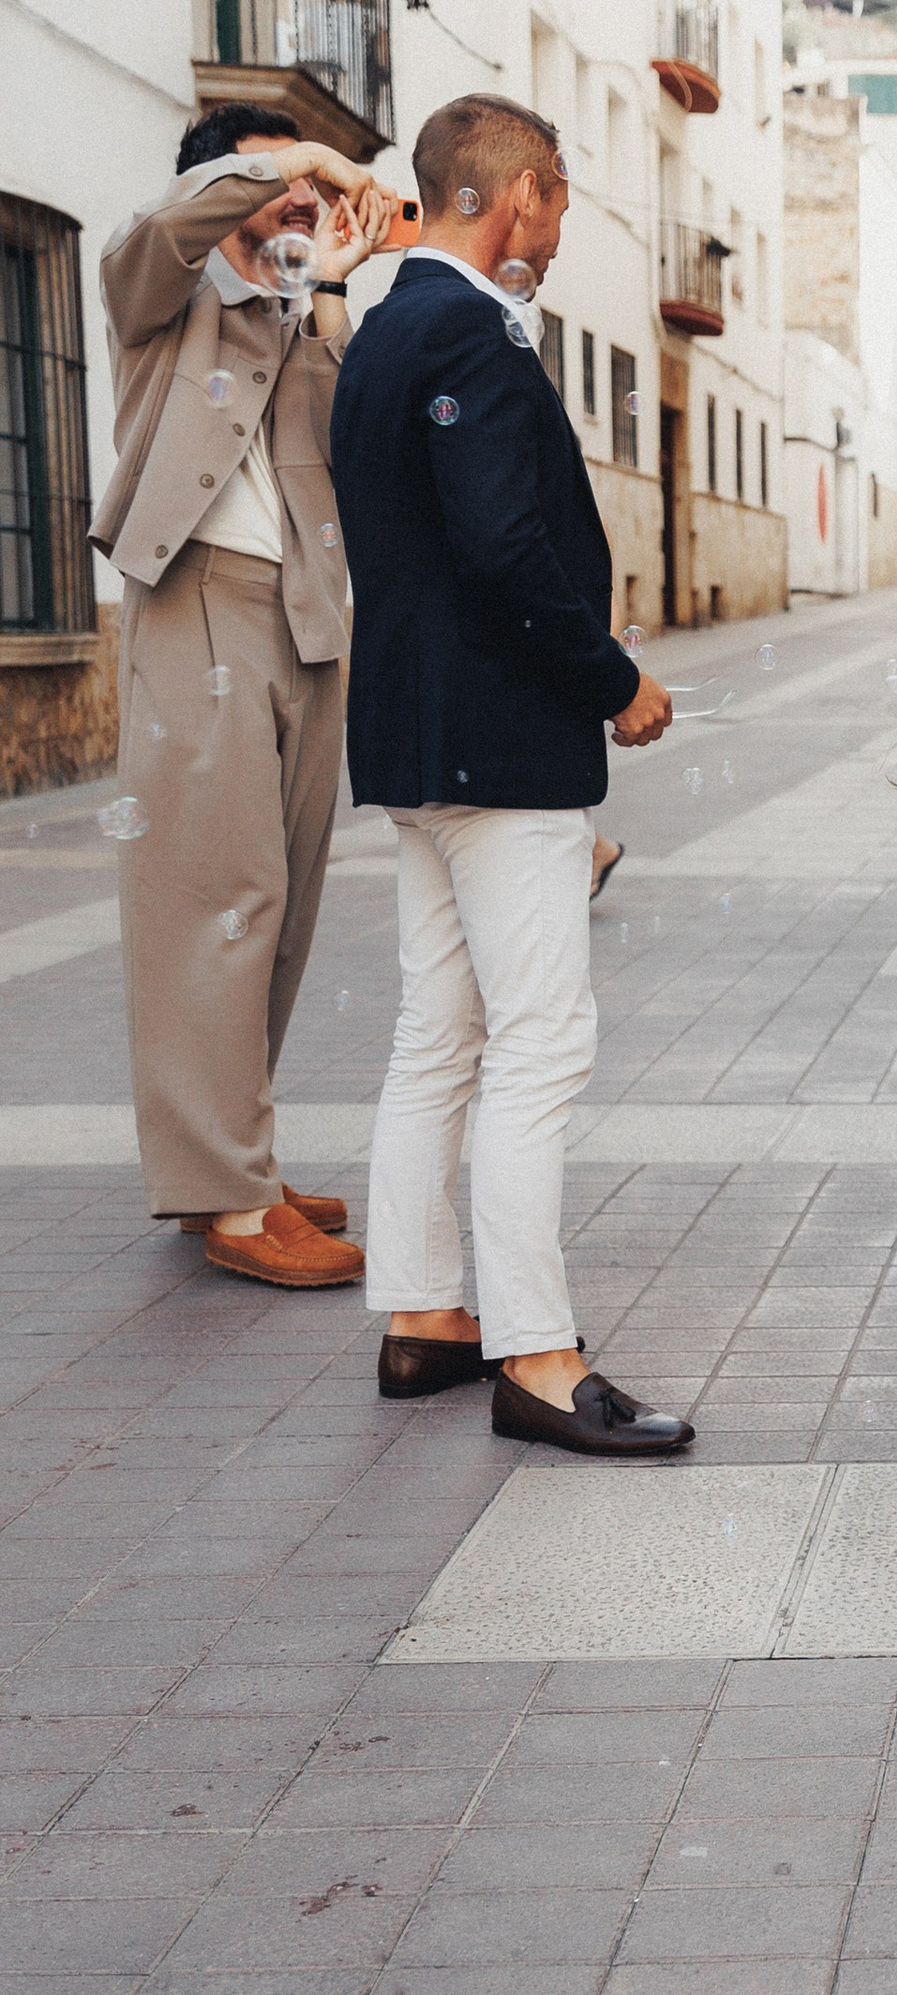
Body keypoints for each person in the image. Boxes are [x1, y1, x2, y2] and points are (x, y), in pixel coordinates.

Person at [330, 92, 690, 1456]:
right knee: (540, 1043)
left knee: (441, 1031)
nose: (562, 216)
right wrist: (615, 679)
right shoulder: (474, 336)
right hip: (502, 744)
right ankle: (538, 1354)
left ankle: (423, 1317)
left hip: (417, 742)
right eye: (556, 191)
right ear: (512, 193)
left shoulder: (378, 334)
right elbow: (498, 550)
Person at [92, 105, 397, 1286]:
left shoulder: (296, 312)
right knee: (215, 898)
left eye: (309, 193)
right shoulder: (159, 297)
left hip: (311, 620)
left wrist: (329, 290)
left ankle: (237, 1163)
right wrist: (289, 163)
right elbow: (155, 238)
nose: (303, 208)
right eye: (279, 191)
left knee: (279, 906)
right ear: (229, 186)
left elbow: (342, 456)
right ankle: (225, 1195)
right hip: (195, 602)